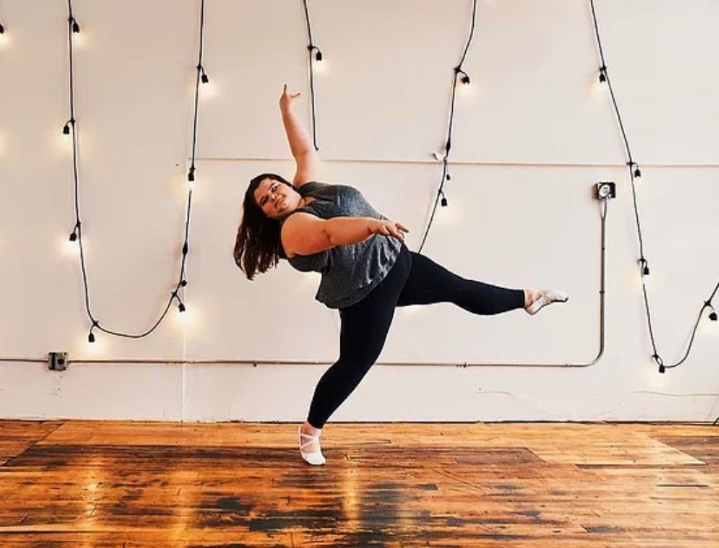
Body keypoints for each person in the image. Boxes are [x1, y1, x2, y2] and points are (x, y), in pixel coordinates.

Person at [233, 85, 568, 466]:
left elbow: (304, 151)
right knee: (355, 363)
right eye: (265, 201)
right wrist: (372, 225)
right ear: (267, 215)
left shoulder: (310, 189)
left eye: (274, 187)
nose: (274, 196)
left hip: (396, 261)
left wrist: (286, 111)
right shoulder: (291, 229)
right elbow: (329, 233)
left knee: (459, 289)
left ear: (285, 183)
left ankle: (528, 298)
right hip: (364, 290)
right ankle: (310, 432)